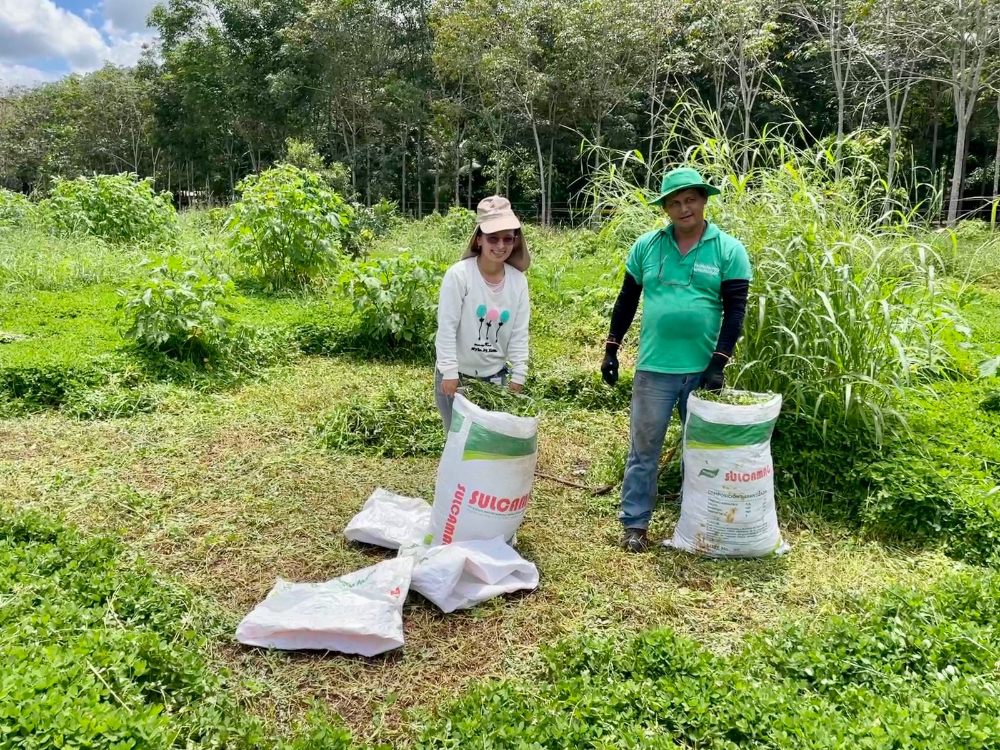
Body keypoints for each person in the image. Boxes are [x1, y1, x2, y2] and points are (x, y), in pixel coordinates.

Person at [601, 167, 751, 553]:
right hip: (654, 370)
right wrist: (611, 348)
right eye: (675, 202)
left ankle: (698, 522)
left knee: (701, 452)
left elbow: (735, 311)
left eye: (690, 199)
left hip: (701, 372)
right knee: (644, 448)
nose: (684, 208)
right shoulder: (647, 247)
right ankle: (635, 524)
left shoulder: (728, 250)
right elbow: (626, 301)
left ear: (703, 200)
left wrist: (719, 363)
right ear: (665, 208)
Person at [434, 196, 531, 431]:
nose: (500, 246)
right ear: (479, 239)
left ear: (515, 241)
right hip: (458, 376)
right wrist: (449, 372)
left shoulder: (518, 282)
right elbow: (446, 327)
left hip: (495, 377)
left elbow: (519, 333)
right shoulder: (459, 276)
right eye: (492, 238)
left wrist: (518, 374)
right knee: (458, 441)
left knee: (489, 444)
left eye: (508, 238)